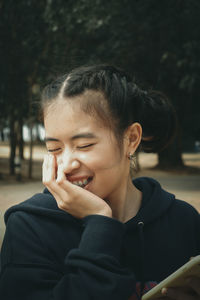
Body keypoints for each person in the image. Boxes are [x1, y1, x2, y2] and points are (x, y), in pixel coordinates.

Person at [0, 64, 199, 300]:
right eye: (54, 148)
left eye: (84, 145)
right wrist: (99, 223)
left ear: (131, 139)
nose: (66, 164)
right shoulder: (29, 227)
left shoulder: (183, 220)